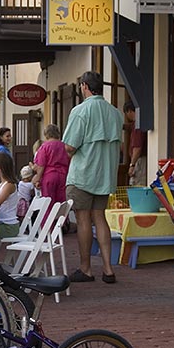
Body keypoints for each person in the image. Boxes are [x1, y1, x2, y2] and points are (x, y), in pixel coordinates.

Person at [63, 70, 123, 284]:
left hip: (83, 175)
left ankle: (86, 268)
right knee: (100, 218)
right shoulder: (115, 113)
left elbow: (70, 146)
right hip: (105, 175)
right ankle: (108, 269)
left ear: (85, 87)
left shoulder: (81, 111)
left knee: (83, 219)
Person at [32, 124, 70, 206]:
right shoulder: (64, 146)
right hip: (63, 176)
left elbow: (41, 165)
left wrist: (37, 178)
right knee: (62, 203)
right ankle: (62, 218)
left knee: (48, 203)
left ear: (46, 134)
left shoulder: (44, 147)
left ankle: (49, 218)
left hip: (49, 176)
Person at [0, 151, 20, 242]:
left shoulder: (9, 185)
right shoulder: (2, 184)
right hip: (3, 224)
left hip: (9, 227)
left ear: (0, 168)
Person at [123, 100, 148, 186]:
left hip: (139, 160)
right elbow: (129, 127)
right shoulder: (136, 123)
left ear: (129, 111)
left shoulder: (138, 126)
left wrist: (132, 165)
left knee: (137, 184)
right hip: (139, 159)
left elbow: (137, 148)